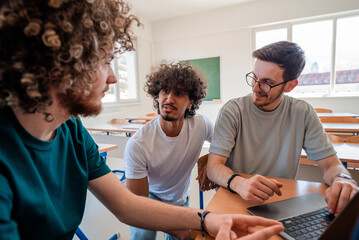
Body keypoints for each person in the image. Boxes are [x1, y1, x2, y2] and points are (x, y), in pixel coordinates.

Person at [0, 0, 284, 239]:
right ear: (64, 61)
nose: (112, 77)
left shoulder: (71, 129)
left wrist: (207, 219)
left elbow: (125, 204)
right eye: (106, 61)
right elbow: (135, 202)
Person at [207, 41, 358, 217]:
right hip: (236, 200)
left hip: (282, 204)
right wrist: (239, 183)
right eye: (254, 77)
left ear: (290, 86)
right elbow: (213, 167)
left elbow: (331, 165)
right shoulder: (232, 111)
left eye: (267, 83)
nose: (256, 88)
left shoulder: (303, 113)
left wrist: (343, 178)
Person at [125, 62, 215, 240]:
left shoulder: (202, 124)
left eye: (179, 93)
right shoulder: (138, 144)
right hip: (148, 197)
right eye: (165, 91)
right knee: (143, 237)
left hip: (179, 198)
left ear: (191, 102)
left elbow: (225, 145)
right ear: (157, 96)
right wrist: (176, 229)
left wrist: (211, 163)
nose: (169, 98)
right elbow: (137, 206)